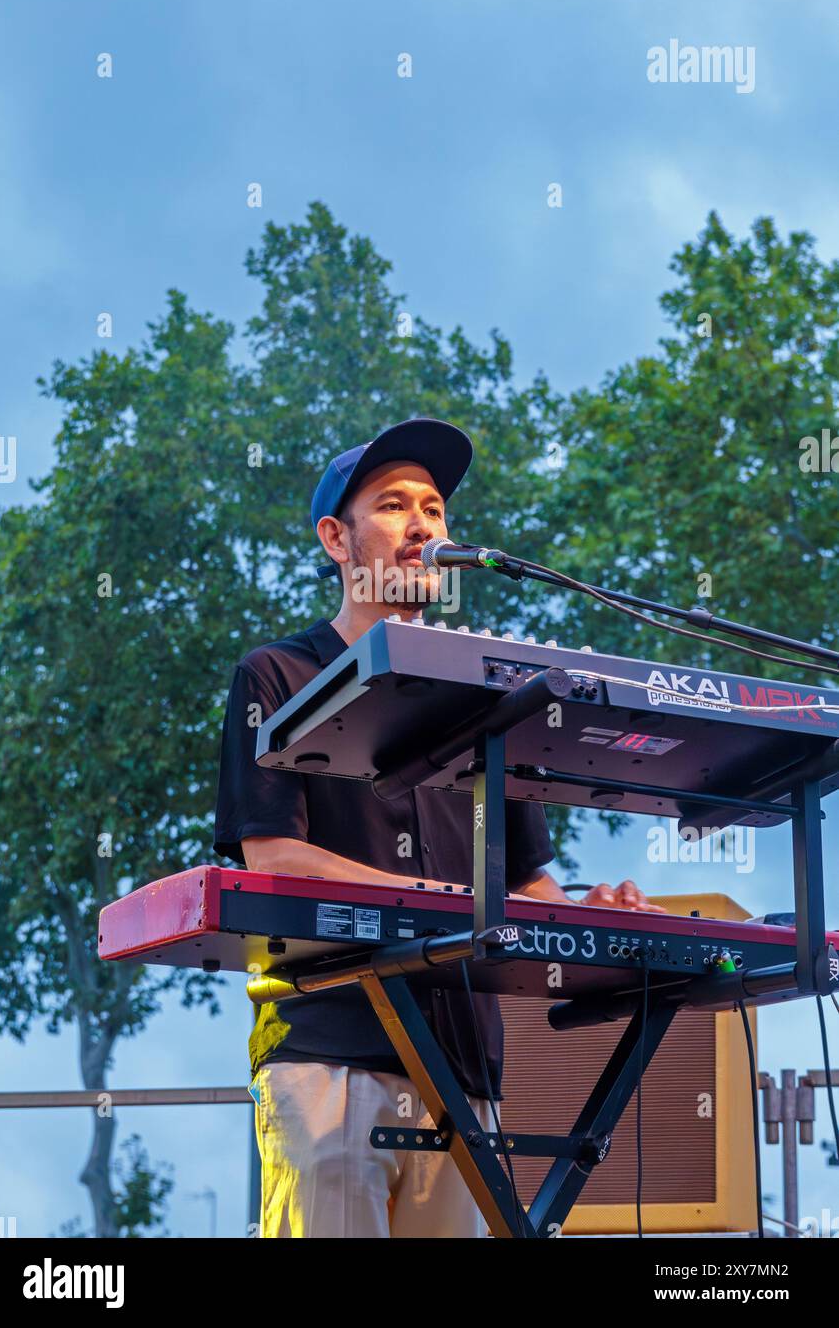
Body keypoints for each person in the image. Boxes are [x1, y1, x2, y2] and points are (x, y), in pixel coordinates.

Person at [213, 416, 665, 1238]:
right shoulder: (274, 674)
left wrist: (591, 915)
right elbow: (272, 856)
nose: (424, 523)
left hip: (466, 1068)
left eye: (436, 508)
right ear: (336, 540)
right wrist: (441, 898)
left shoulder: (497, 697)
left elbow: (526, 883)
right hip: (329, 1046)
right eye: (393, 504)